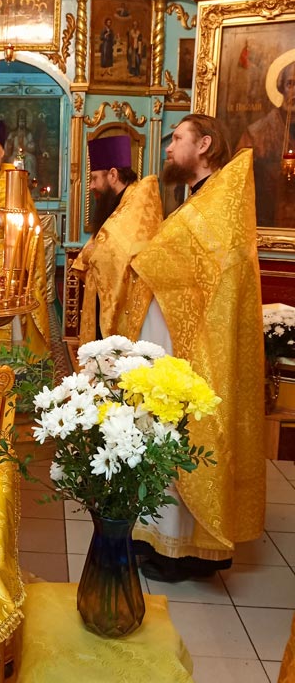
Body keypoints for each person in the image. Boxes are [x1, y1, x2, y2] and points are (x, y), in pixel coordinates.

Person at [130, 114, 266, 582]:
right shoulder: (199, 199)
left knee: (187, 436)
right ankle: (158, 538)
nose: (169, 148)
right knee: (165, 435)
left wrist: (143, 256)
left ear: (205, 144)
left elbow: (199, 270)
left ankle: (185, 551)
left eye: (178, 139)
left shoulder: (218, 203)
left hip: (199, 348)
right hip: (175, 345)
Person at [0, 116, 50, 355]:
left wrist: (2, 218)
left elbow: (30, 221)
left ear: (2, 150)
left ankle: (7, 363)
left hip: (6, 257)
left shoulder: (14, 178)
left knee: (5, 306)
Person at [72, 134, 162, 344]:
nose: (91, 186)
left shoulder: (137, 203)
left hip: (131, 306)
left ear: (112, 175)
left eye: (94, 178)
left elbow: (115, 250)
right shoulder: (119, 204)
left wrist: (91, 253)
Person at [236, 58, 295, 228]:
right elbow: (238, 178)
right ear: (281, 88)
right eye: (290, 84)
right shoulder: (256, 133)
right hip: (269, 216)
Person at [4, 108, 37, 180]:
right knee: (12, 160)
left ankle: (28, 181)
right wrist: (10, 141)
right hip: (15, 154)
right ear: (17, 122)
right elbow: (7, 147)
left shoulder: (28, 133)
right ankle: (13, 181)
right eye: (20, 121)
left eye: (23, 121)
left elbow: (32, 146)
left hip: (26, 153)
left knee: (30, 159)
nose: (22, 123)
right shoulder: (13, 133)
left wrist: (26, 146)